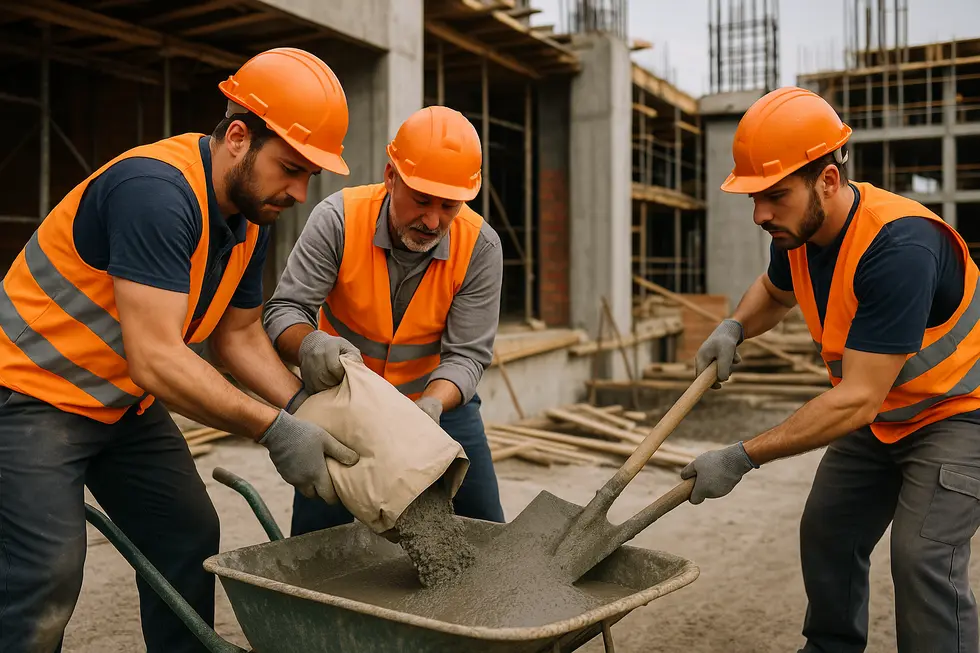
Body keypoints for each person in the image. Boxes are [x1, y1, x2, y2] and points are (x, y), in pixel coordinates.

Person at [0, 48, 362, 653]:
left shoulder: (249, 218)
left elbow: (239, 337)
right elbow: (158, 358)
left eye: (310, 176)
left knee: (187, 536)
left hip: (122, 405)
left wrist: (305, 410)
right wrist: (273, 428)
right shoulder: (156, 193)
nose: (300, 191)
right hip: (32, 395)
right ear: (239, 137)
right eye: (291, 168)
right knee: (46, 573)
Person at [684, 85, 980, 653]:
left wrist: (741, 456)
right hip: (886, 413)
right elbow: (774, 292)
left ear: (827, 178)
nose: (759, 214)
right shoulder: (798, 231)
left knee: (923, 557)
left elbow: (857, 399)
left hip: (958, 414)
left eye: (774, 195)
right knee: (828, 529)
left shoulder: (900, 248)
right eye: (753, 198)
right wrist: (734, 327)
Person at [263, 105, 506, 536]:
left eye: (449, 206)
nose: (433, 220)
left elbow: (467, 356)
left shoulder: (481, 247)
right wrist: (308, 344)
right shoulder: (338, 218)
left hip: (435, 404)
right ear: (391, 176)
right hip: (344, 404)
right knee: (320, 543)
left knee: (486, 532)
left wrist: (432, 404)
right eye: (421, 199)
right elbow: (284, 311)